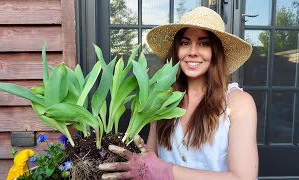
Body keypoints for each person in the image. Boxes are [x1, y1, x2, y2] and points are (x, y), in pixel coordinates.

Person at [99, 6, 258, 180]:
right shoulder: (161, 98)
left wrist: (165, 171)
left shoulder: (238, 103)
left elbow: (244, 177)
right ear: (177, 51)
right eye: (185, 43)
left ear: (215, 52)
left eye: (204, 43)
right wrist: (142, 160)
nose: (192, 52)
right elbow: (153, 163)